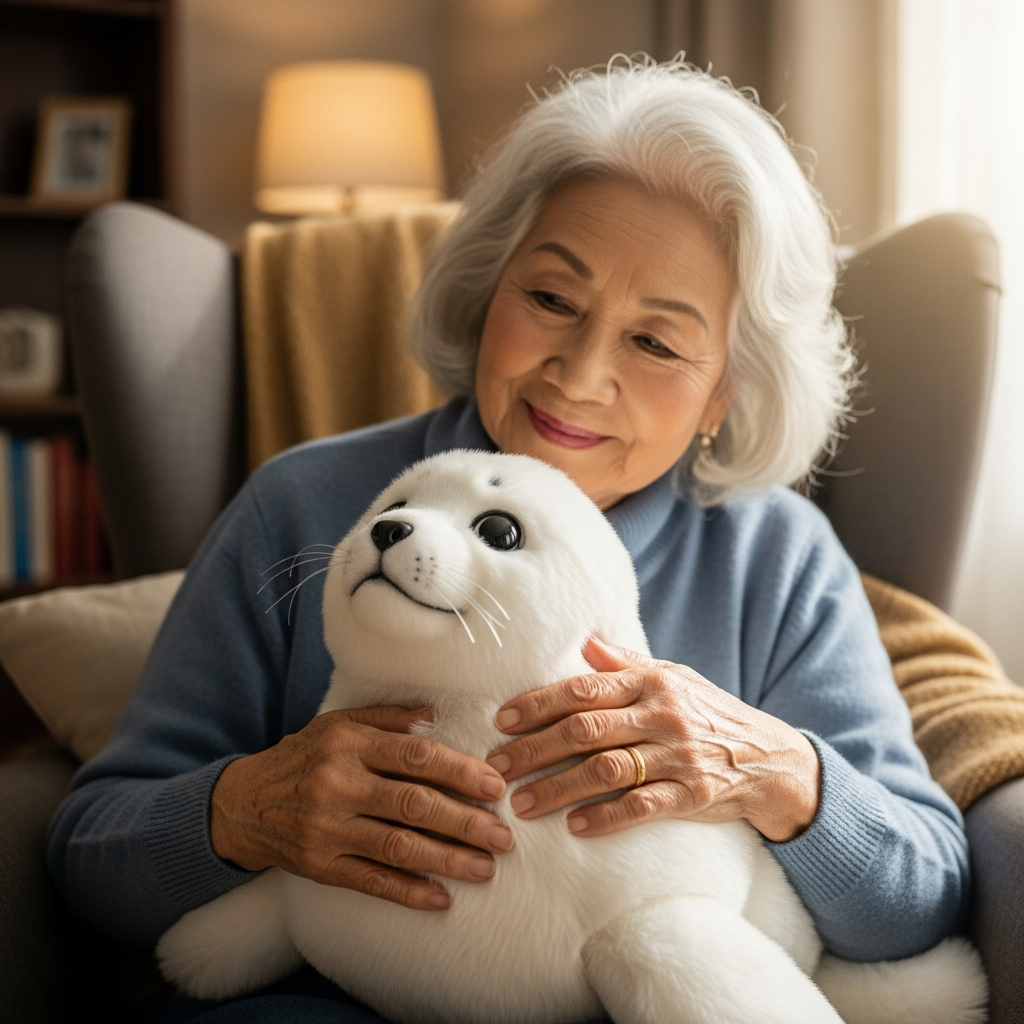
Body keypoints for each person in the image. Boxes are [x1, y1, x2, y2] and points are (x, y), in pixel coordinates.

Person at [48, 57, 968, 1022]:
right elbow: (87, 856)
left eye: (655, 343)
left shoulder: (777, 558)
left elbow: (923, 897)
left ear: (723, 394)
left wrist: (780, 775)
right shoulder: (306, 503)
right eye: (552, 300)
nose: (577, 376)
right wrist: (244, 810)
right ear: (489, 288)